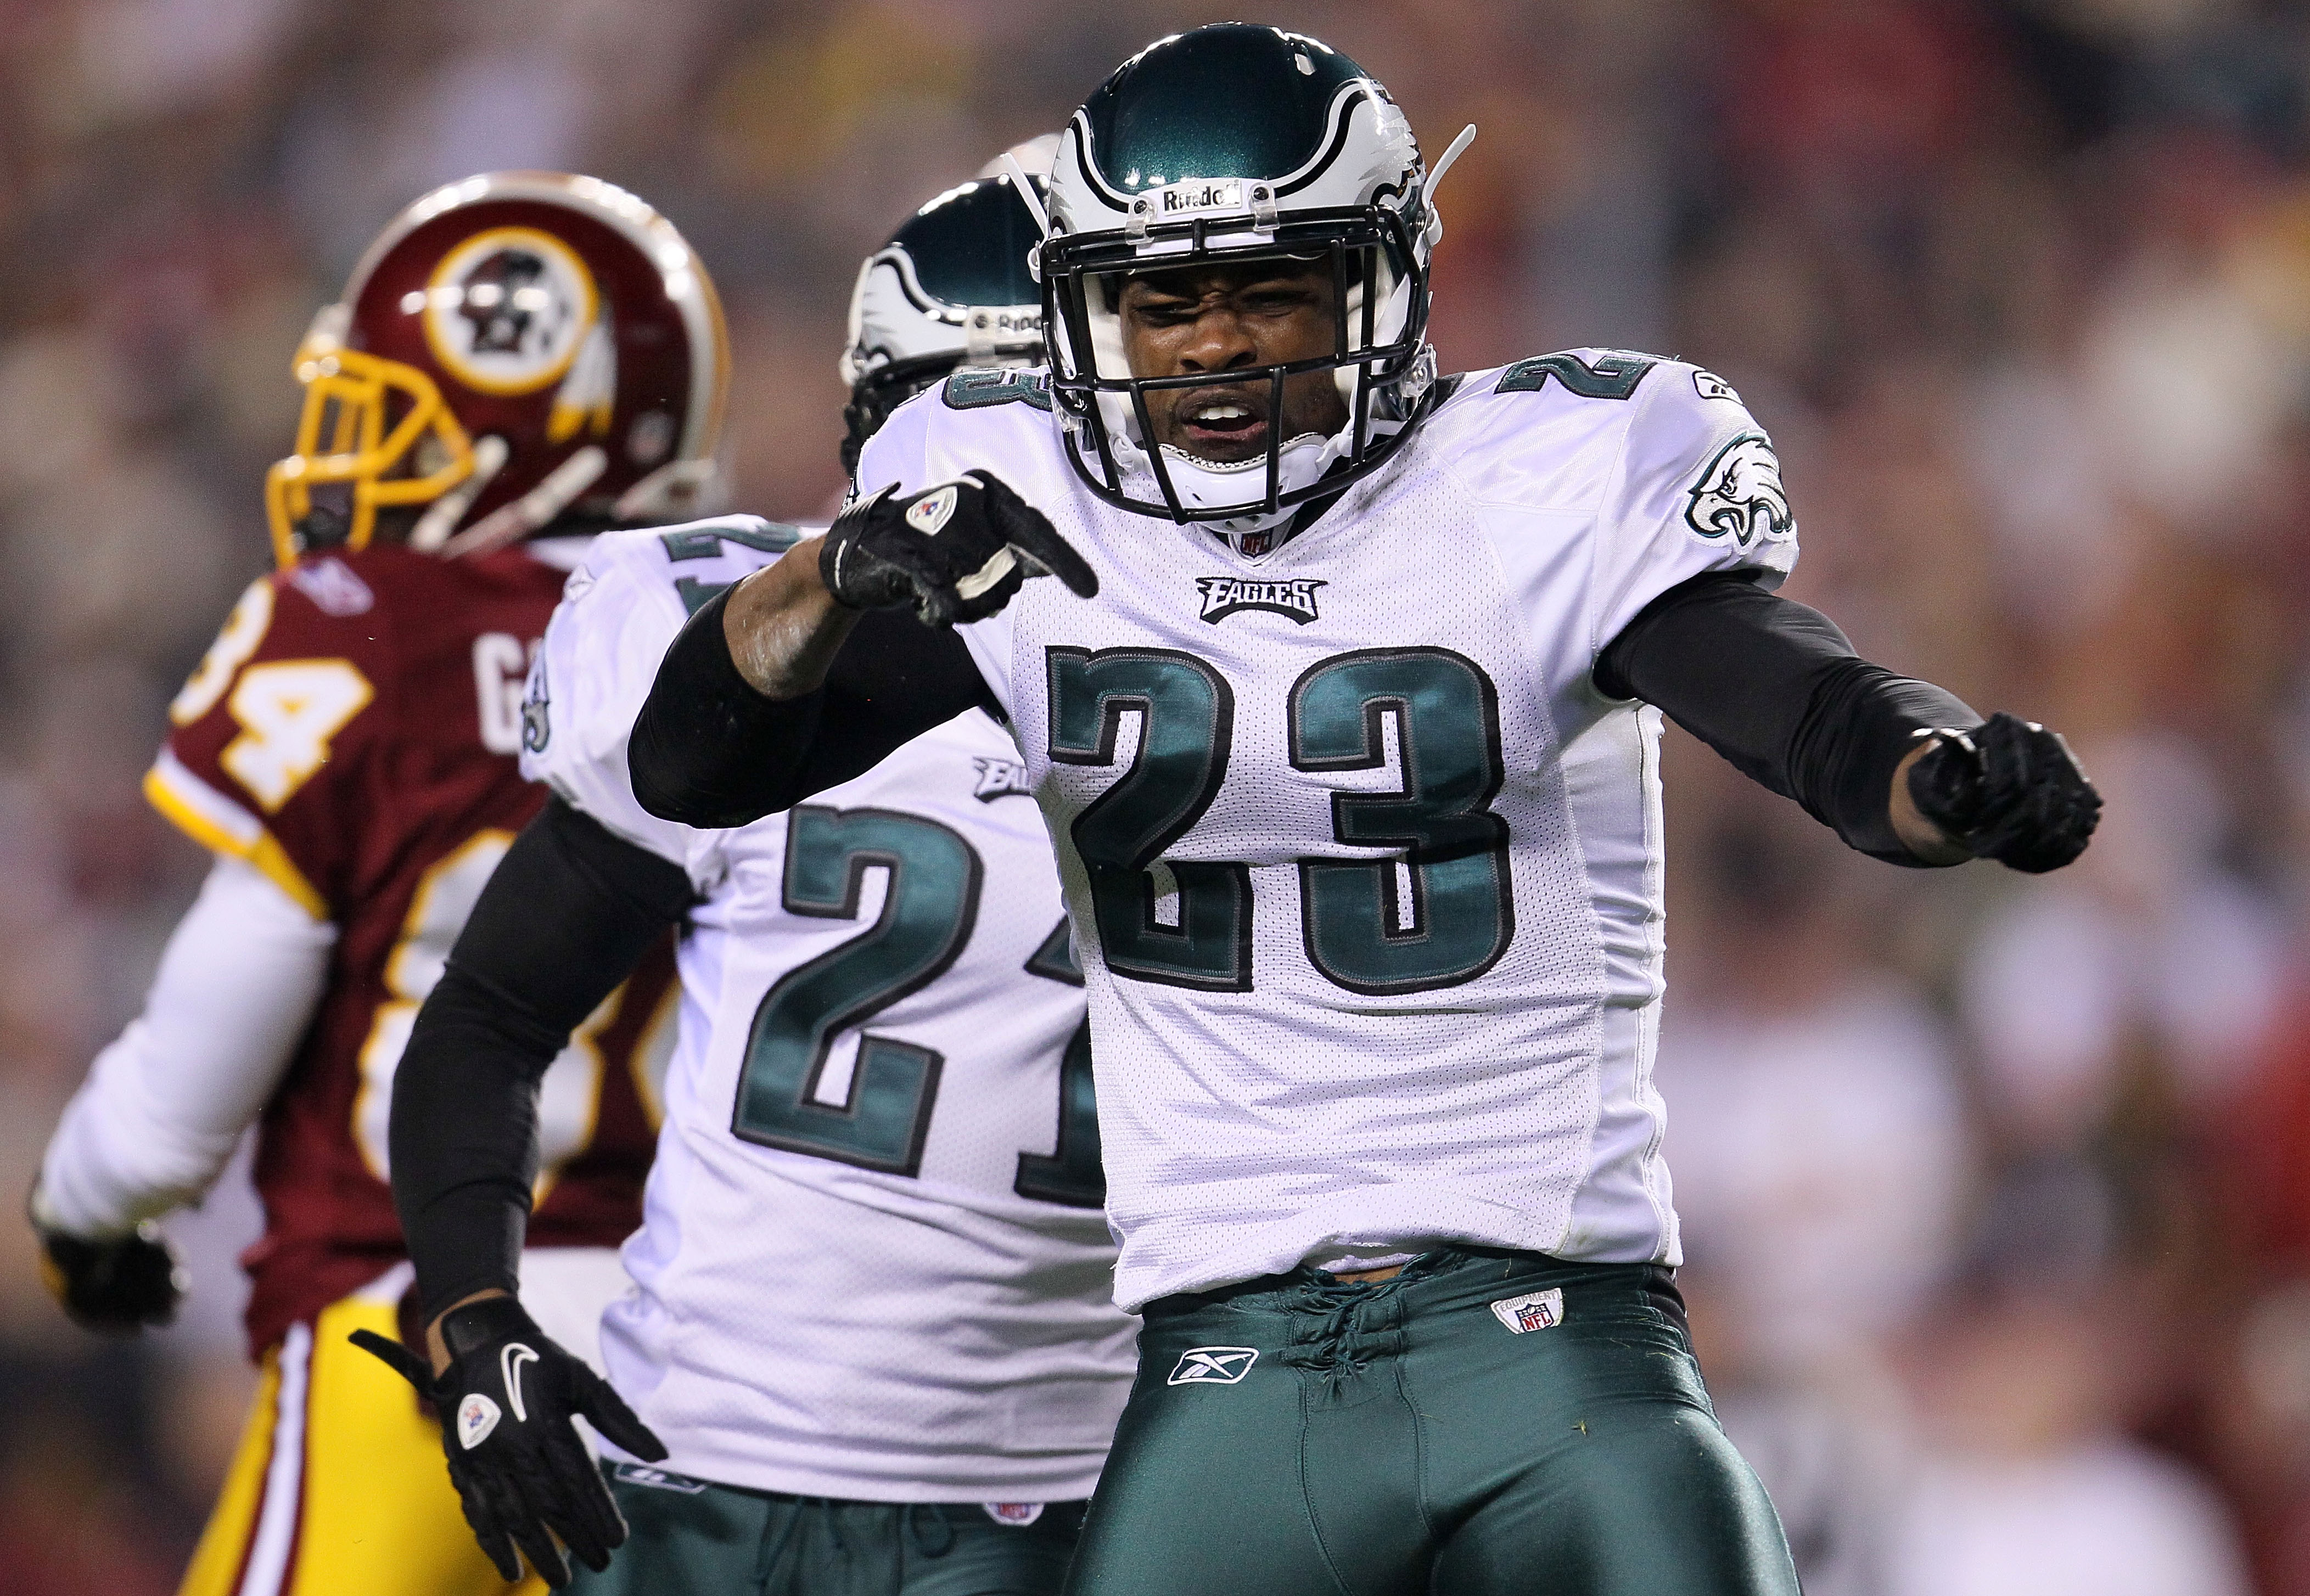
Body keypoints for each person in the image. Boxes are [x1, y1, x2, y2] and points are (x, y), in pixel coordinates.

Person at [630, 24, 2102, 1595]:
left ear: (1384, 282)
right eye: (1163, 298)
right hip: (1226, 1361)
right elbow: (697, 767)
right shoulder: (1016, 502)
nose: (1211, 345)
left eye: (1269, 286)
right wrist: (825, 580)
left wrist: (1938, 772)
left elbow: (1805, 705)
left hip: (1551, 1351)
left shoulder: (1539, 481)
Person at [363, 162, 1137, 1596]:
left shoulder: (1248, 682)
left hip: (1058, 1491)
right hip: (704, 1468)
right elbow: (487, 1018)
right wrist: (474, 1321)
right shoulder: (737, 661)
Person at [29, 171, 720, 1596]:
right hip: (705, 1370)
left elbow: (185, 1086)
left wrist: (87, 1212)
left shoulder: (359, 633)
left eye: (391, 416)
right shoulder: (739, 630)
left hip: (413, 1343)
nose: (352, 458)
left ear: (511, 414)